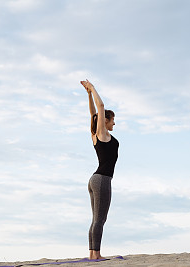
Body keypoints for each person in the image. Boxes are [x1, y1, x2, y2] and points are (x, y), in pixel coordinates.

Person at [80, 79, 119, 260]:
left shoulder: (95, 135)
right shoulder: (102, 134)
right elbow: (100, 107)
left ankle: (92, 253)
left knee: (95, 219)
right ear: (105, 120)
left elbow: (93, 114)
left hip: (94, 179)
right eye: (113, 120)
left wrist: (88, 94)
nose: (114, 124)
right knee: (100, 220)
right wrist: (93, 88)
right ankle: (96, 255)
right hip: (102, 179)